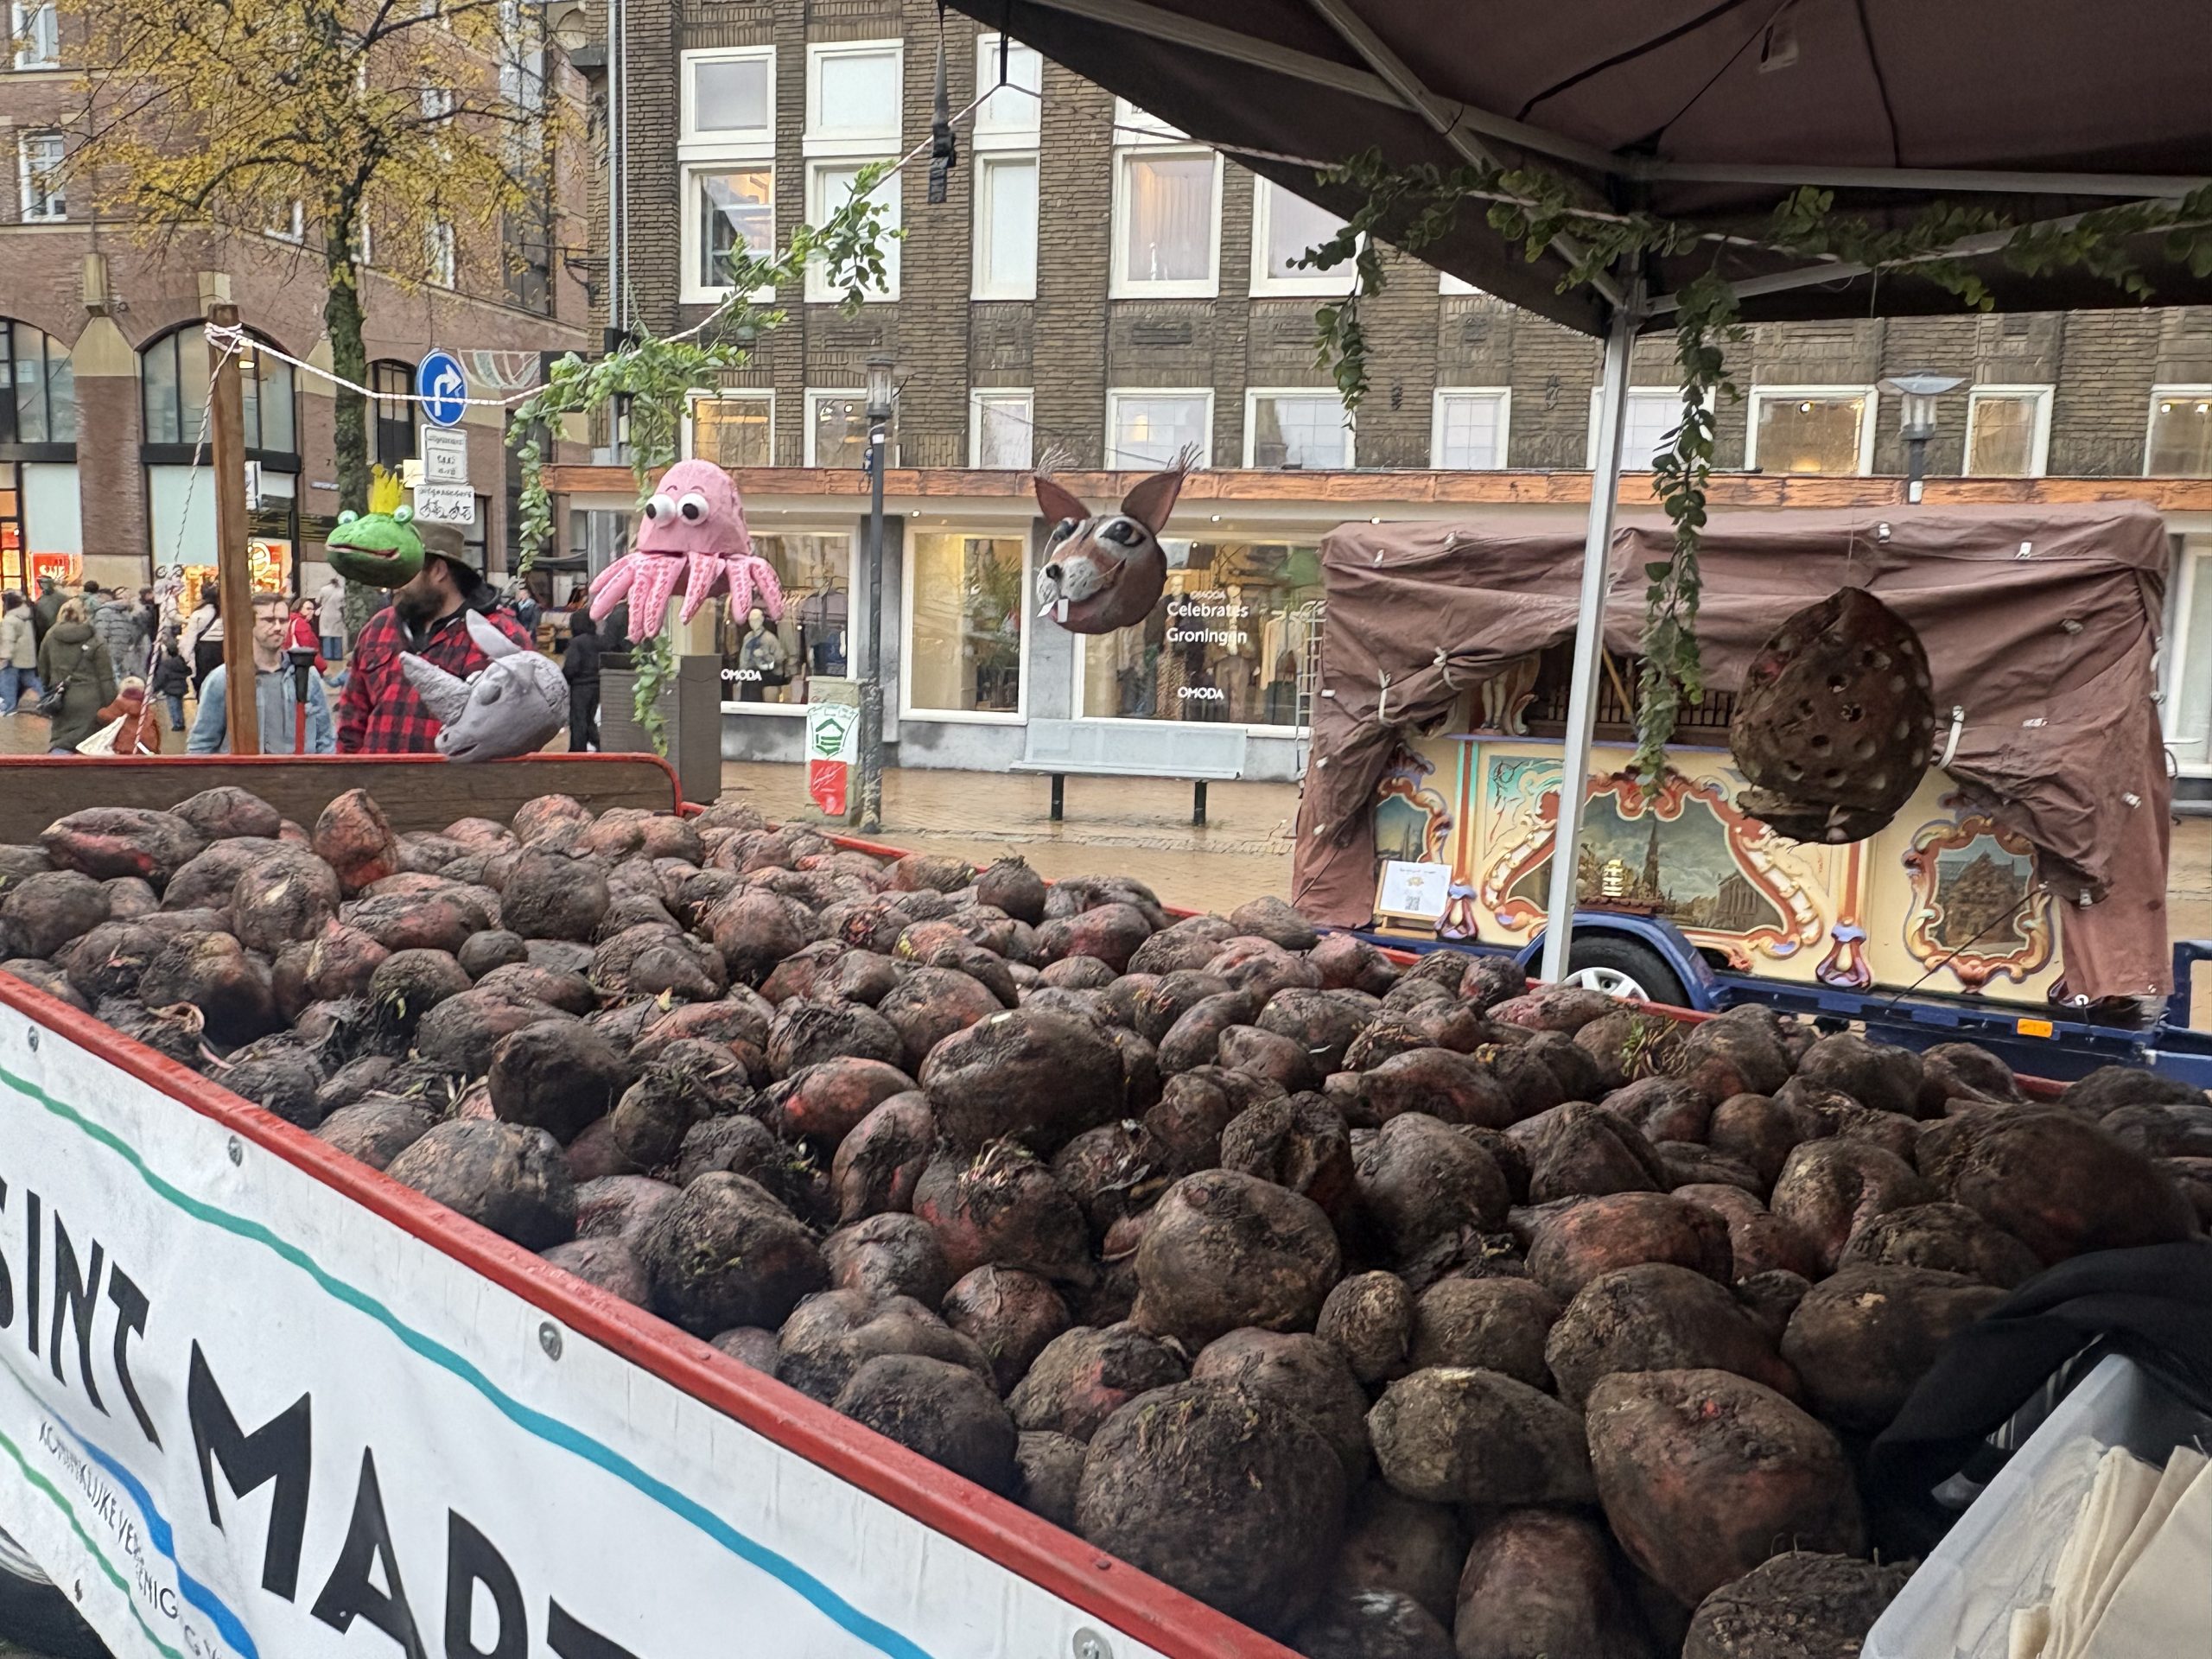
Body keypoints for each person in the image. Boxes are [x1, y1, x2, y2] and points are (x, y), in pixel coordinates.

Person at [337, 523, 531, 753]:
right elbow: (351, 719)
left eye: (404, 571)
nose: (393, 583)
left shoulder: (502, 634)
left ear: (438, 570)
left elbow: (519, 732)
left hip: (457, 777)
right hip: (376, 775)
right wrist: (349, 770)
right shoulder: (378, 627)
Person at [188, 592, 334, 754]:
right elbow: (201, 745)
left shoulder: (308, 675)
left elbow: (326, 738)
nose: (278, 627)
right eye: (269, 620)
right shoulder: (224, 679)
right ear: (248, 624)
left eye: (283, 621)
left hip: (300, 770)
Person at [36, 598, 118, 754]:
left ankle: (58, 766)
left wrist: (50, 688)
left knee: (62, 740)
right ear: (85, 615)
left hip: (62, 697)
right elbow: (106, 678)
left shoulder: (50, 636)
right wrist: (111, 704)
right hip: (92, 699)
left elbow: (43, 668)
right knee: (90, 742)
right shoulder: (95, 639)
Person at [561, 611, 603, 753]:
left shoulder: (576, 642)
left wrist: (564, 678)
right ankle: (598, 745)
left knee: (579, 720)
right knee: (590, 718)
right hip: (597, 684)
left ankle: (577, 751)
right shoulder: (599, 640)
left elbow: (571, 666)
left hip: (580, 686)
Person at [94, 678, 164, 755]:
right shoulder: (146, 710)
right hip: (145, 751)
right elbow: (157, 732)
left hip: (120, 751)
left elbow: (101, 717)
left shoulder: (115, 707)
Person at [91, 582, 145, 679]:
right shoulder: (106, 612)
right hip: (114, 655)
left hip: (121, 656)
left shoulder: (125, 613)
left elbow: (133, 635)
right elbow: (101, 636)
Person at [0, 593, 41, 715]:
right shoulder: (26, 616)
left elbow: (9, 640)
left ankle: (9, 706)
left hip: (14, 657)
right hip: (27, 656)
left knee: (8, 681)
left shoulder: (10, 620)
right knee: (30, 679)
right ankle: (46, 697)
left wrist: (4, 656)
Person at [734, 604, 785, 703]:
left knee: (755, 680)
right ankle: (745, 706)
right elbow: (743, 658)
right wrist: (741, 674)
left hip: (769, 672)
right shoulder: (748, 637)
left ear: (761, 620)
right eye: (751, 620)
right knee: (748, 679)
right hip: (752, 671)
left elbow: (780, 658)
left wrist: (765, 655)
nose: (753, 623)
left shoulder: (770, 638)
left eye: (756, 620)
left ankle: (755, 706)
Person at [180, 588, 222, 692]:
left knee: (204, 679)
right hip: (221, 648)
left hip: (204, 650)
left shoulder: (197, 614)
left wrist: (186, 655)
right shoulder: (222, 613)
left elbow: (192, 636)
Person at [149, 632, 191, 731]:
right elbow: (188, 671)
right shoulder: (181, 661)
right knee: (179, 706)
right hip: (181, 688)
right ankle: (181, 721)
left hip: (170, 690)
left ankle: (177, 724)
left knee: (173, 707)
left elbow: (161, 678)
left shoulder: (165, 665)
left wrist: (154, 689)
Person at [315, 570, 347, 661]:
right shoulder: (342, 591)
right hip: (337, 615)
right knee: (337, 636)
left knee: (327, 635)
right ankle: (337, 656)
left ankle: (327, 656)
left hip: (326, 614)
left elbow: (317, 601)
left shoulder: (324, 589)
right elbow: (344, 604)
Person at [289, 598, 326, 669]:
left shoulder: (290, 620)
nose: (311, 612)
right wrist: (323, 666)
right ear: (299, 609)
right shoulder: (301, 624)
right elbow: (308, 650)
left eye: (312, 609)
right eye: (308, 609)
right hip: (304, 665)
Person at [29, 575, 61, 647]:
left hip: (56, 631)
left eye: (45, 583)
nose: (43, 585)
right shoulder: (40, 600)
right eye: (41, 583)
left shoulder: (61, 597)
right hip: (43, 631)